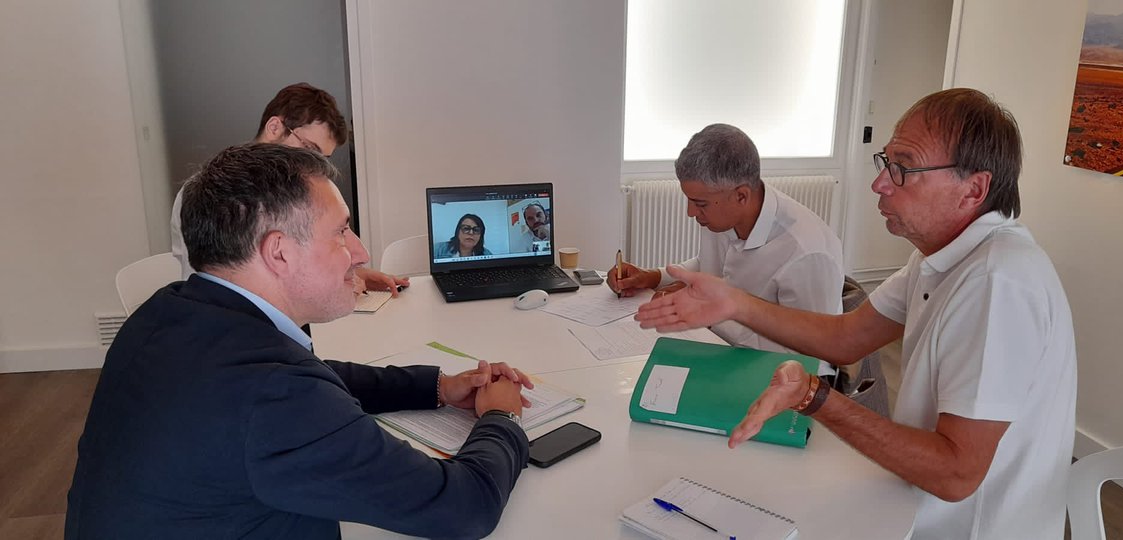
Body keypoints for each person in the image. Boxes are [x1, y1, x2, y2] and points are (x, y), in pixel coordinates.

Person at [635, 89, 1077, 539]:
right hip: (912, 499)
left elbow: (955, 474)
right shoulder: (938, 257)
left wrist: (816, 399)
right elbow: (847, 337)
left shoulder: (997, 282)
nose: (880, 183)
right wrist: (735, 302)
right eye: (886, 162)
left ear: (974, 189)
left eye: (903, 169)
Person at [67, 144, 532, 539]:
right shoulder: (274, 394)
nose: (361, 252)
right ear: (279, 252)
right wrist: (501, 415)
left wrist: (437, 386)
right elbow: (464, 507)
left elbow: (313, 378)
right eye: (342, 231)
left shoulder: (170, 311)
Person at [609, 123, 843, 378]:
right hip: (720, 351)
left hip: (780, 380)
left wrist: (708, 314)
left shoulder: (807, 251)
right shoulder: (723, 214)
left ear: (741, 196)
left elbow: (812, 355)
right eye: (689, 200)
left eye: (700, 204)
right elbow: (709, 264)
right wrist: (653, 277)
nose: (691, 213)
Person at [168, 82, 408, 296]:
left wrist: (352, 274)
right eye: (309, 149)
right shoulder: (212, 194)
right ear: (274, 127)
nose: (314, 165)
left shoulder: (295, 192)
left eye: (322, 158)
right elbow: (213, 289)